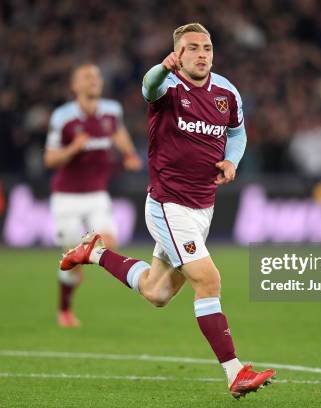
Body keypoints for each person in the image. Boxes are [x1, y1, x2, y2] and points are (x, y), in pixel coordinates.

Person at [60, 23, 274, 398]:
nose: (202, 53)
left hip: (201, 208)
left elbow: (237, 134)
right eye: (192, 48)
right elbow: (147, 86)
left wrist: (232, 161)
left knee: (157, 293)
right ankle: (234, 371)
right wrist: (163, 67)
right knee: (208, 281)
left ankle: (94, 253)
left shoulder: (227, 92)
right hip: (167, 204)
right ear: (179, 53)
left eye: (207, 47)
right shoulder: (168, 85)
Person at [45, 63, 142, 328]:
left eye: (97, 76)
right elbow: (50, 158)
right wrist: (73, 148)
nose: (93, 81)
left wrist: (130, 153)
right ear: (75, 85)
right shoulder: (63, 118)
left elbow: (117, 131)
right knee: (71, 266)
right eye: (86, 77)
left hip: (97, 194)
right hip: (66, 198)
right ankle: (64, 309)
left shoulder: (112, 111)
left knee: (109, 242)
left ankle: (86, 255)